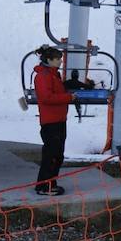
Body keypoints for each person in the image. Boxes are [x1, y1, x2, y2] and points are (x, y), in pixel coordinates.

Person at [32, 45, 73, 195]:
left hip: (58, 119)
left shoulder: (53, 75)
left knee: (57, 154)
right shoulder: (43, 76)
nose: (60, 62)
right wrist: (69, 97)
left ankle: (50, 183)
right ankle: (44, 185)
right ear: (49, 60)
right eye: (58, 59)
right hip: (51, 121)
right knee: (52, 154)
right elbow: (46, 97)